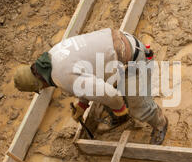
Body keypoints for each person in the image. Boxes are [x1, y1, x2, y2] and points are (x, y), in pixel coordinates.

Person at [13, 28, 168, 145]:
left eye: (39, 88)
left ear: (39, 83)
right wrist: (82, 104)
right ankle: (122, 112)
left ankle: (160, 123)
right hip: (121, 43)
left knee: (138, 109)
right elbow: (82, 76)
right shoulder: (51, 56)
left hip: (133, 60)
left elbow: (110, 94)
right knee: (101, 93)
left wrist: (120, 109)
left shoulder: (61, 78)